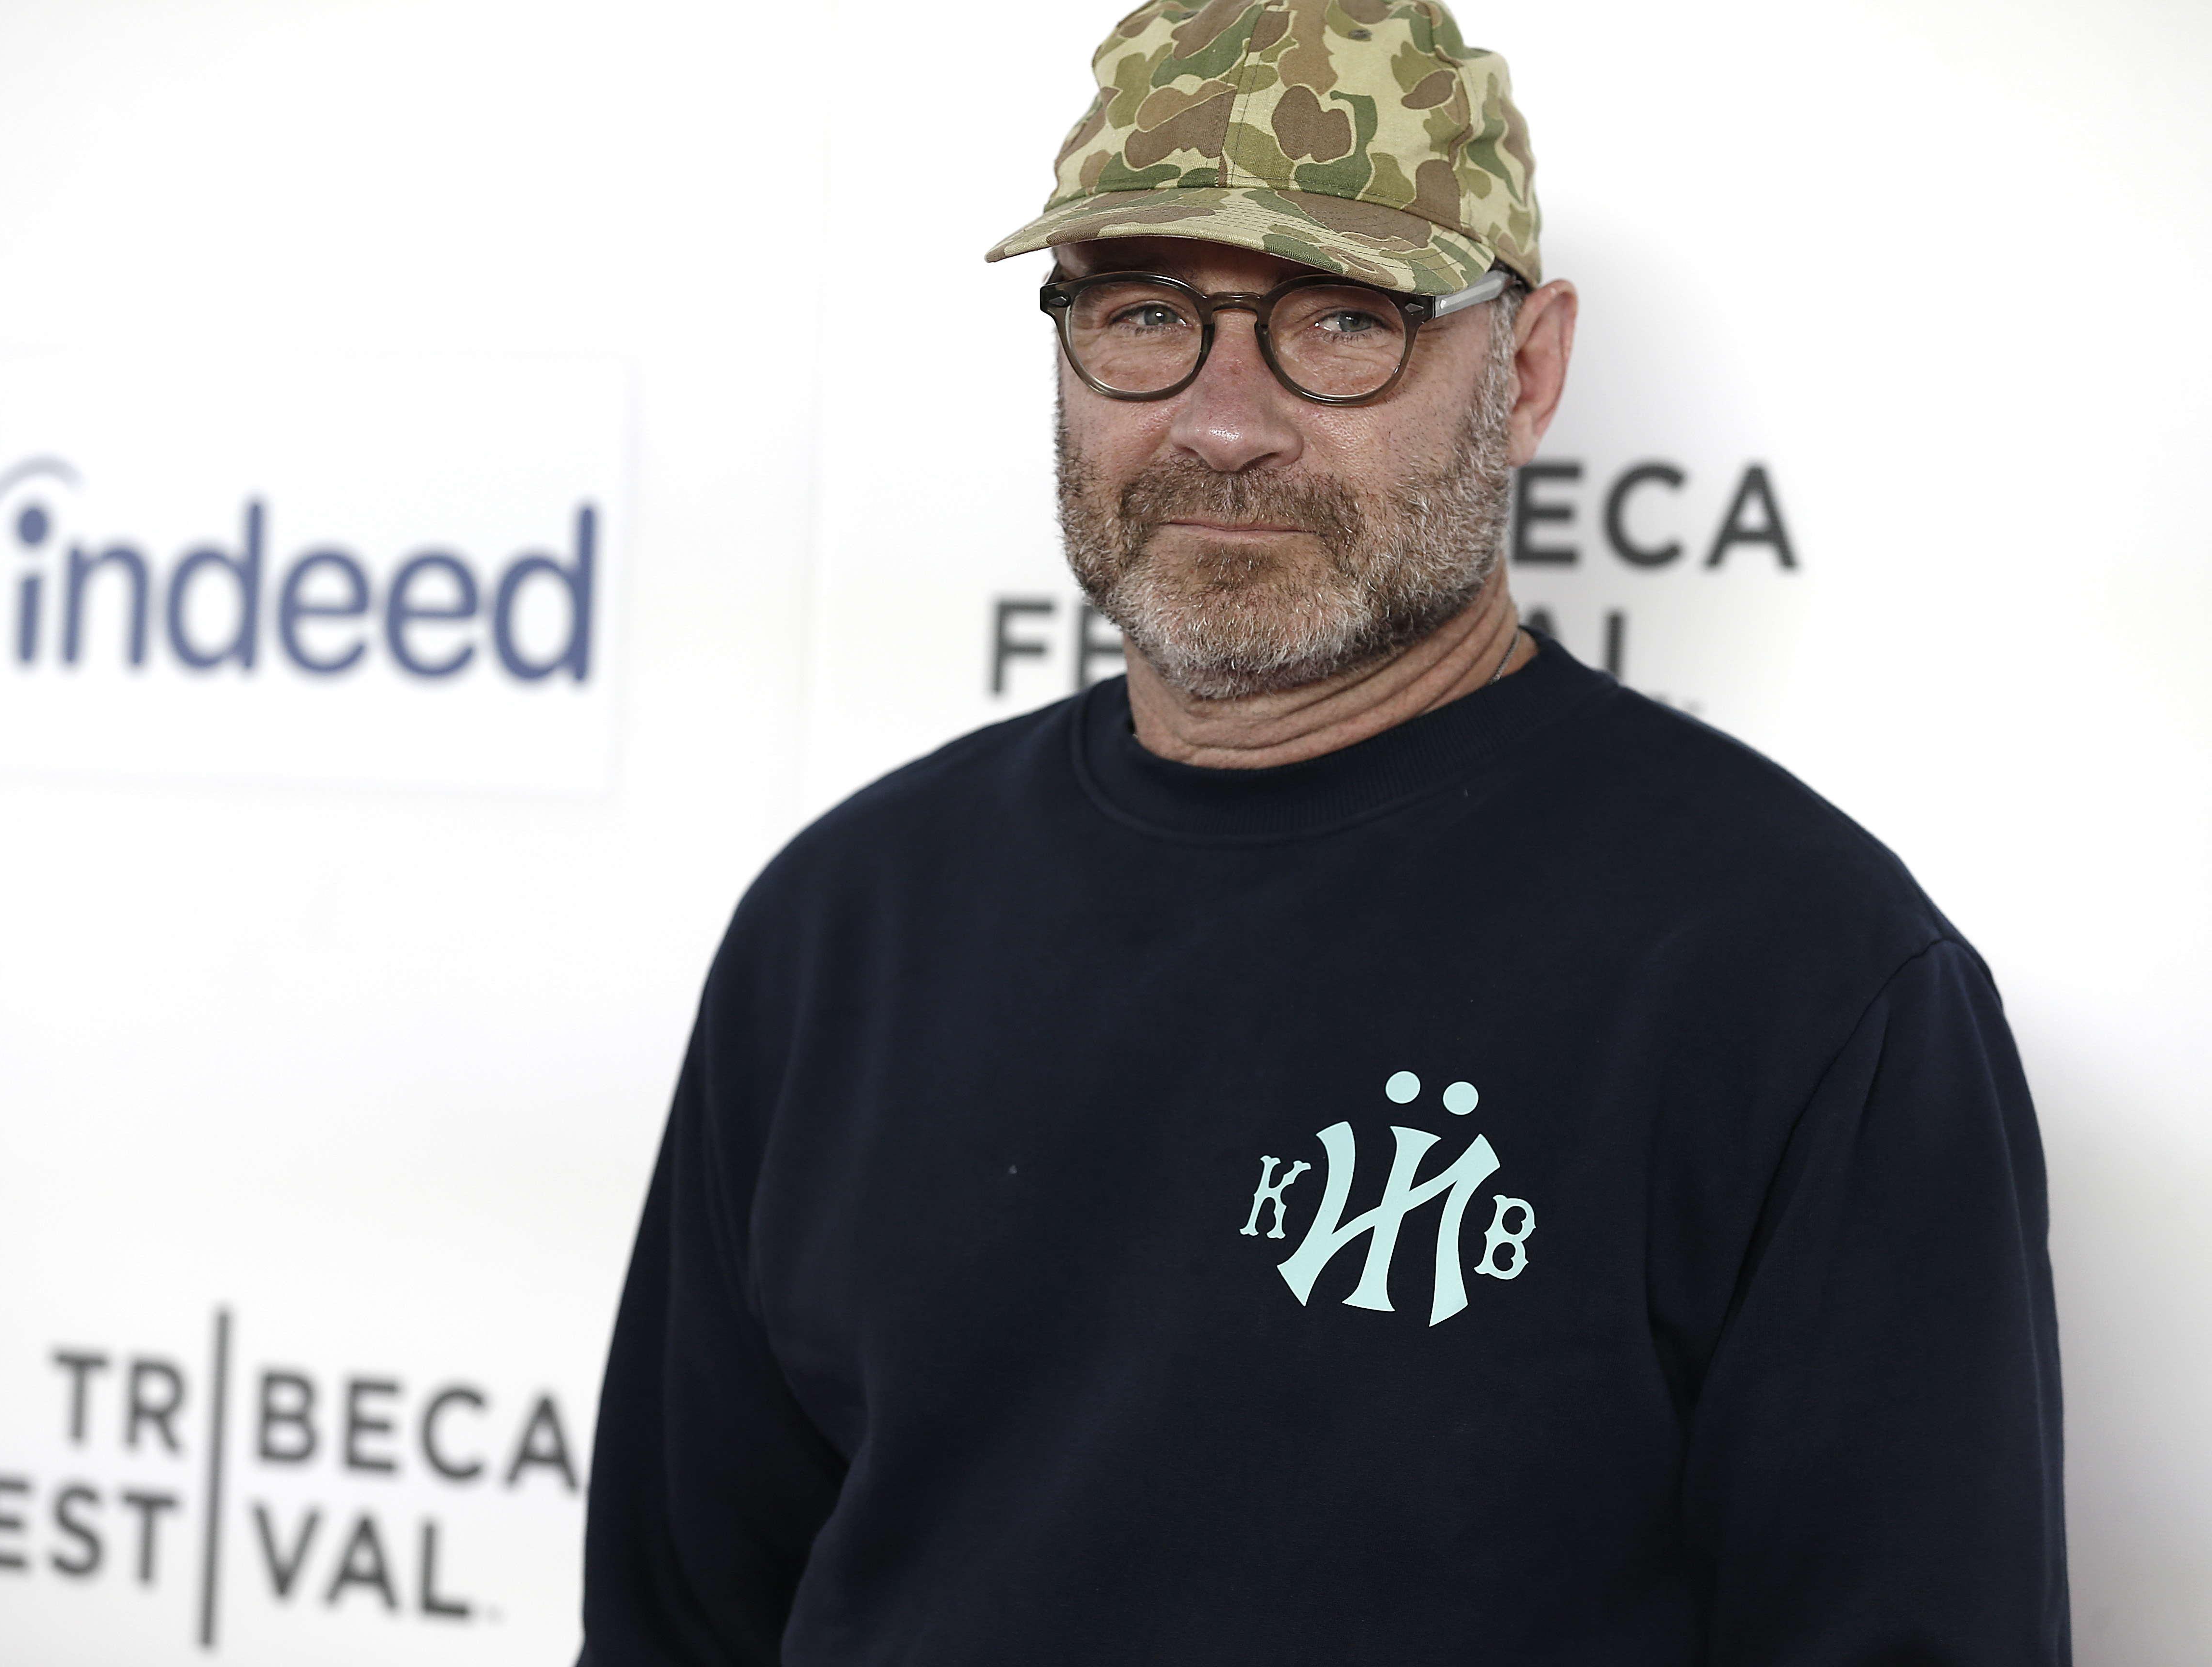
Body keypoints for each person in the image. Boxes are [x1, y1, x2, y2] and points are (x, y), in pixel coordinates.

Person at [578, 2, 2069, 1661]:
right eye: (1147, 314)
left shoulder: (1805, 985)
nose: (1225, 424)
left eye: (1342, 322)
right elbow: (680, 1620)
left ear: (1528, 371)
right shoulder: (839, 927)